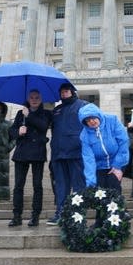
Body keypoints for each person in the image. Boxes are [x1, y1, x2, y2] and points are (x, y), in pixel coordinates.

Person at [8, 90, 53, 227]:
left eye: (37, 98)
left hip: (37, 152)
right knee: (18, 186)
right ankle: (17, 216)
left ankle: (35, 216)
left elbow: (43, 126)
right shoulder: (20, 113)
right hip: (22, 152)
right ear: (28, 98)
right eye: (32, 97)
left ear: (41, 99)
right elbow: (11, 131)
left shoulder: (46, 113)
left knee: (37, 186)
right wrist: (18, 132)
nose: (34, 100)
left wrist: (29, 116)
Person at [47, 82, 88, 226]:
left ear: (72, 92)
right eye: (62, 92)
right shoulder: (56, 110)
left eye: (66, 91)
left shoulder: (83, 105)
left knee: (78, 186)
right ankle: (61, 214)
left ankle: (78, 214)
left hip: (76, 153)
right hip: (58, 153)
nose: (64, 94)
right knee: (61, 187)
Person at [78, 103, 130, 191]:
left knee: (114, 186)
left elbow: (123, 141)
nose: (91, 121)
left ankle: (116, 204)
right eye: (88, 120)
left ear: (98, 115)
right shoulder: (84, 135)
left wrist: (117, 166)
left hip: (117, 160)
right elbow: (88, 159)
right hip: (99, 165)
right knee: (100, 191)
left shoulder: (112, 120)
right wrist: (90, 182)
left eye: (93, 118)